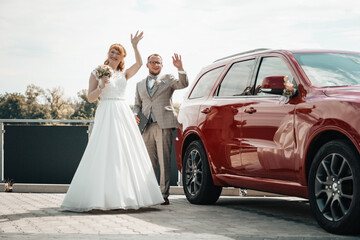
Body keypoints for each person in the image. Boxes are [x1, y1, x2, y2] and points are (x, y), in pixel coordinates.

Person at [60, 31, 164, 212]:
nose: (114, 55)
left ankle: (127, 196)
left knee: (126, 152)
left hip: (123, 112)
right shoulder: (97, 71)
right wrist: (102, 86)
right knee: (105, 151)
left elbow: (140, 64)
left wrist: (134, 46)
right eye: (112, 51)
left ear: (122, 57)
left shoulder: (124, 73)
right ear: (108, 54)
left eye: (118, 53)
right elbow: (91, 98)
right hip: (107, 111)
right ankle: (101, 197)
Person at [134, 53, 189, 205]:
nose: (155, 65)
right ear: (147, 64)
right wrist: (135, 114)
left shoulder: (168, 79)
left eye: (158, 62)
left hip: (163, 124)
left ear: (162, 65)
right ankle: (151, 193)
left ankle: (163, 194)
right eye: (152, 62)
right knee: (149, 162)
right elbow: (137, 104)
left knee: (164, 161)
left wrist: (180, 68)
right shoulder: (139, 84)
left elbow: (183, 84)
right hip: (145, 125)